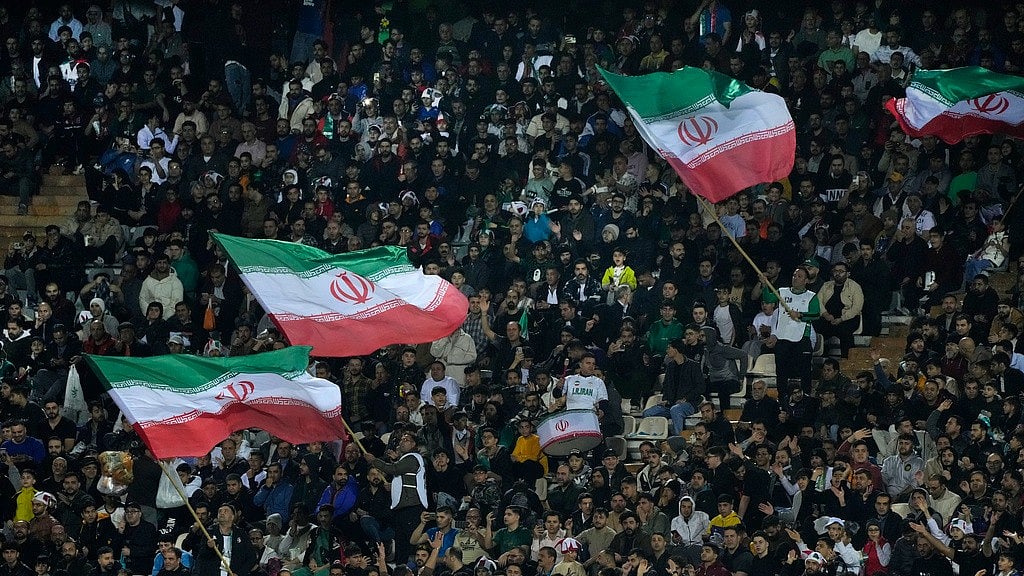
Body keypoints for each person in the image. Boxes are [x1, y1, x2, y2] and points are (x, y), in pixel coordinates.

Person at [364, 431, 427, 562]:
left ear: (414, 444)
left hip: (412, 508)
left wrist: (374, 461)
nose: (402, 442)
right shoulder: (405, 459)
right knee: (401, 543)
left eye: (406, 439)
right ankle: (401, 568)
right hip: (403, 509)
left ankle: (412, 567)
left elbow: (394, 469)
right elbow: (406, 480)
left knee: (410, 542)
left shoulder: (413, 458)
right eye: (401, 440)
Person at [761, 265, 820, 395]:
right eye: (794, 275)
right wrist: (765, 285)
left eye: (799, 276)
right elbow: (769, 299)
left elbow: (816, 314)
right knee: (781, 371)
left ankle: (806, 397)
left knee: (805, 371)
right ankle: (783, 398)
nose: (795, 278)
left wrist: (800, 315)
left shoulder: (811, 296)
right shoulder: (782, 291)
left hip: (802, 337)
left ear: (806, 281)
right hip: (783, 338)